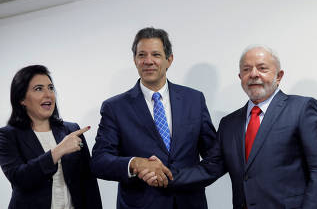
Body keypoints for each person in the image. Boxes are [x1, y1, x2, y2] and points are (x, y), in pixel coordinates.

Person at [91, 27, 217, 209]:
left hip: (189, 203)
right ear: (135, 60)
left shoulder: (194, 100)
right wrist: (135, 164)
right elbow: (99, 161)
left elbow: (213, 158)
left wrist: (177, 178)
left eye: (156, 55)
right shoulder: (115, 107)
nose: (148, 61)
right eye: (142, 55)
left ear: (169, 60)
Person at [215, 45, 317, 208]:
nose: (254, 74)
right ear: (240, 76)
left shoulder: (302, 108)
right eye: (246, 69)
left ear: (279, 76)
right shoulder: (228, 123)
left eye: (262, 68)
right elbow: (210, 168)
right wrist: (164, 175)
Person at [0, 65, 102, 209]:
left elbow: (88, 183)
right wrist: (58, 151)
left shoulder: (72, 130)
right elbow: (20, 179)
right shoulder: (7, 135)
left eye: (51, 88)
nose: (48, 94)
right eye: (39, 89)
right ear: (21, 99)